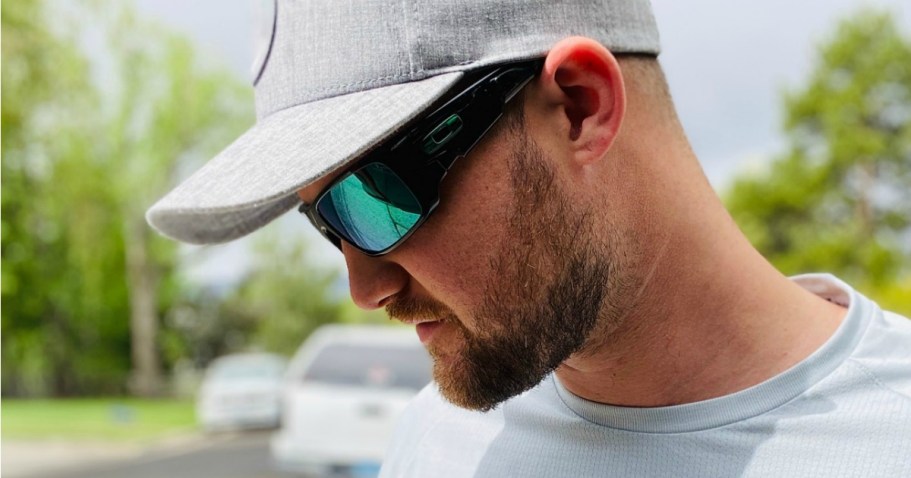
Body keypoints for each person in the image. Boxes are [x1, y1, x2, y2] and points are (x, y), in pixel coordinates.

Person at [148, 0, 911, 476]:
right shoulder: (434, 443)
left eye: (375, 200)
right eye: (325, 224)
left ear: (578, 106)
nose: (364, 288)